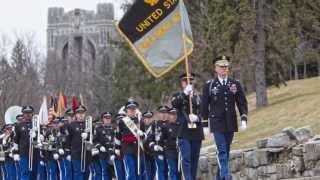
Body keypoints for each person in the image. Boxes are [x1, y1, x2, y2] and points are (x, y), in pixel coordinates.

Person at [201, 56, 248, 180]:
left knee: (225, 151)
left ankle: (219, 177)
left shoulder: (235, 83)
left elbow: (242, 102)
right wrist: (205, 124)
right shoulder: (209, 85)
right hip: (217, 123)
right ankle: (226, 176)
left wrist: (243, 118)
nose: (224, 69)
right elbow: (204, 106)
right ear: (215, 68)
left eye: (226, 67)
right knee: (221, 150)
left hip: (231, 122)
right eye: (221, 67)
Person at [171, 73, 204, 180]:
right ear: (182, 83)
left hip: (196, 132)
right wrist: (185, 93)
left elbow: (204, 112)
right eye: (185, 81)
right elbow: (175, 104)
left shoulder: (198, 97)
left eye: (190, 81)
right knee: (186, 158)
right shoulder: (177, 95)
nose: (188, 83)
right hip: (184, 131)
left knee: (195, 159)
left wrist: (197, 118)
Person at [14, 105, 39, 180]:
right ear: (23, 114)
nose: (28, 114)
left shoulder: (37, 125)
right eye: (26, 113)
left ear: (32, 113)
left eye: (29, 112)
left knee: (34, 174)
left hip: (35, 153)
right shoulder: (18, 126)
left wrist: (39, 136)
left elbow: (42, 138)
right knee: (25, 173)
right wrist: (15, 153)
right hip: (24, 153)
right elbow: (16, 141)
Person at [67, 105, 91, 180]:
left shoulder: (89, 125)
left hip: (87, 154)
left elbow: (93, 139)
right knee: (78, 174)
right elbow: (68, 140)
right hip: (76, 153)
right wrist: (68, 153)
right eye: (78, 113)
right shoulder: (71, 125)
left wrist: (88, 136)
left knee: (86, 174)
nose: (81, 115)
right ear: (76, 114)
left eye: (82, 113)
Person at [162, 108, 180, 180]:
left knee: (179, 171)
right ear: (169, 115)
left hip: (179, 151)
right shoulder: (165, 126)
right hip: (170, 152)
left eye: (175, 114)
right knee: (173, 170)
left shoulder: (180, 125)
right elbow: (161, 139)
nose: (174, 116)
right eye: (172, 114)